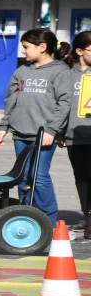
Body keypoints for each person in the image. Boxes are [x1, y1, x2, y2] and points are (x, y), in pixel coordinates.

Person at [0, 28, 70, 225]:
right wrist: (4, 126)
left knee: (39, 176)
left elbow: (65, 104)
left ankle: (50, 222)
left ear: (42, 47)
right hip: (20, 134)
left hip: (43, 135)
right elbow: (10, 100)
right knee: (23, 177)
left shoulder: (60, 71)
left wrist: (52, 131)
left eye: (26, 47)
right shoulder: (22, 71)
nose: (23, 51)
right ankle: (27, 216)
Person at [55, 31, 91, 238]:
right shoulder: (67, 74)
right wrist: (59, 130)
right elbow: (61, 105)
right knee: (82, 178)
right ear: (79, 51)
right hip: (73, 136)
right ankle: (86, 216)